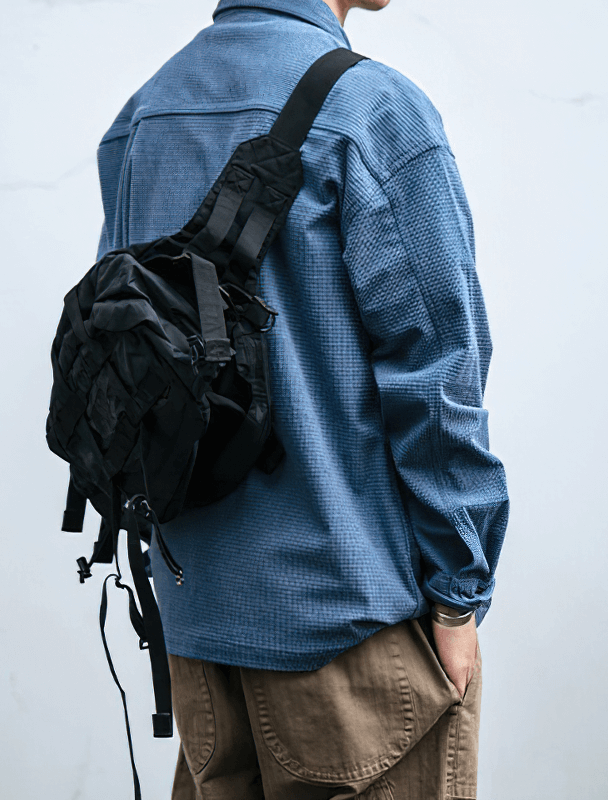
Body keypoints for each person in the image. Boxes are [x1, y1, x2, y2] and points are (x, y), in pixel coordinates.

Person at [95, 0, 509, 796]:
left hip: (197, 624)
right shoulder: (373, 109)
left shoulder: (144, 114)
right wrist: (459, 597)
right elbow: (438, 379)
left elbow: (134, 369)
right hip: (350, 636)